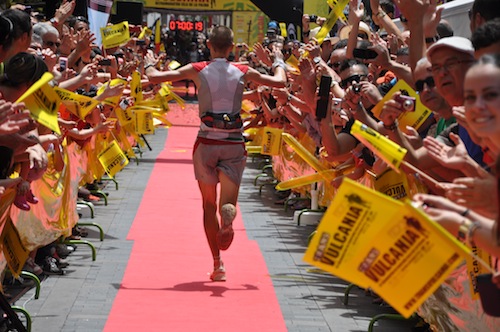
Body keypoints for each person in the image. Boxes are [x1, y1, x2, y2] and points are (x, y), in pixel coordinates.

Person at [144, 25, 287, 281]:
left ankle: (217, 264)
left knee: (208, 206)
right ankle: (229, 211)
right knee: (226, 202)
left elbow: (155, 78)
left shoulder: (198, 69)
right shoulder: (243, 70)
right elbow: (280, 81)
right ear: (232, 48)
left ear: (208, 45)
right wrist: (277, 59)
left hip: (206, 142)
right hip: (233, 143)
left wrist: (149, 63)